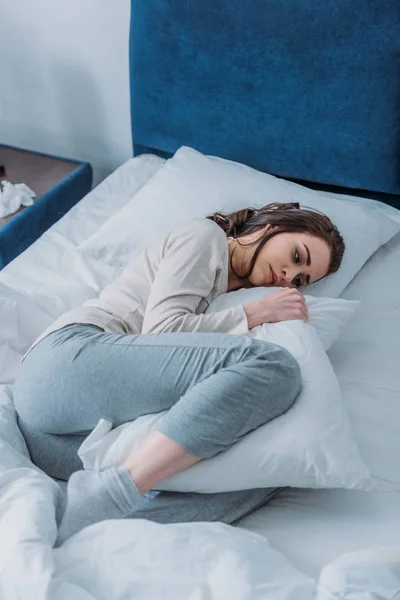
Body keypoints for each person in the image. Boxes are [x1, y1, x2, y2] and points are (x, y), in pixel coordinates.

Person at [13, 201, 345, 544]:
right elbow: (162, 331)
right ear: (271, 226)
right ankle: (116, 490)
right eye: (296, 256)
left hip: (60, 442)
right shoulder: (205, 238)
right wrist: (255, 313)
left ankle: (84, 534)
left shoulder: (230, 289)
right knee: (275, 367)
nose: (290, 278)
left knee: (268, 471)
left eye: (302, 280)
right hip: (63, 363)